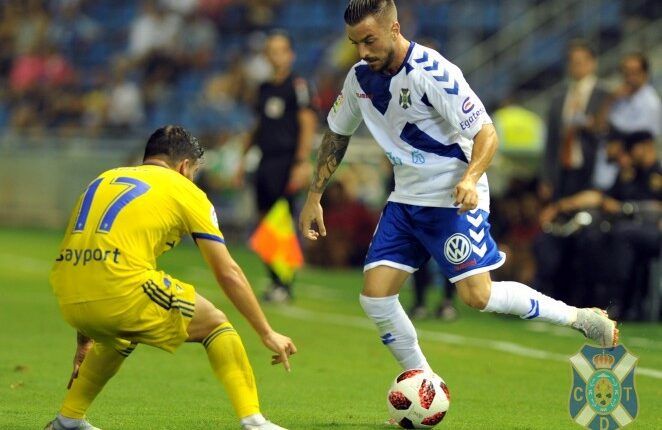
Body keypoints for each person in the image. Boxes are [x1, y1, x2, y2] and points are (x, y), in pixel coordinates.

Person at [299, 0, 618, 384]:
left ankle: (577, 317)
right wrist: (314, 196)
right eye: (355, 44)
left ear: (395, 29)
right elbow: (337, 131)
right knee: (375, 297)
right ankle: (425, 382)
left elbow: (487, 133)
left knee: (477, 297)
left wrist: (470, 178)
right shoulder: (358, 78)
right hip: (406, 199)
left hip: (452, 195)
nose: (363, 52)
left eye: (369, 40)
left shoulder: (433, 72)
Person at [45, 126, 295, 430]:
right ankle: (254, 421)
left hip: (67, 292)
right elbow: (227, 271)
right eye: (194, 171)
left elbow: (87, 257)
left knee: (124, 331)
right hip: (119, 288)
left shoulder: (103, 178)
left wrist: (84, 334)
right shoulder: (184, 189)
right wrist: (266, 332)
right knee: (214, 322)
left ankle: (68, 420)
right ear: (184, 166)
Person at [235, 30, 318, 303]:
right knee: (264, 222)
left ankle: (285, 282)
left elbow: (307, 123)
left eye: (280, 49)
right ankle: (274, 280)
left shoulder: (298, 85)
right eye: (271, 49)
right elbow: (257, 126)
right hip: (265, 160)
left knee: (282, 221)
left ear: (290, 54)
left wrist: (301, 161)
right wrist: (241, 158)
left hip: (287, 160)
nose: (275, 54)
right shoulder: (263, 89)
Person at [540, 40, 609, 201]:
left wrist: (592, 126)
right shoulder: (559, 99)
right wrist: (547, 177)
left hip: (591, 169)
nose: (576, 66)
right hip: (564, 169)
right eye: (572, 62)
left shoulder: (605, 96)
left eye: (580, 62)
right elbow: (551, 141)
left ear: (592, 63)